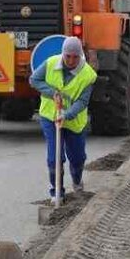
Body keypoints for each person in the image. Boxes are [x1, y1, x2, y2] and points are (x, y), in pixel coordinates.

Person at [29, 36, 97, 199]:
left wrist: (66, 115)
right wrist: (53, 93)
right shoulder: (51, 63)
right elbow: (34, 80)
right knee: (55, 158)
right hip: (50, 117)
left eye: (75, 57)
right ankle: (56, 192)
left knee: (77, 157)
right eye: (68, 56)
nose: (71, 60)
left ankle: (77, 181)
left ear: (80, 55)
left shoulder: (88, 75)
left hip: (74, 122)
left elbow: (82, 101)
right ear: (63, 54)